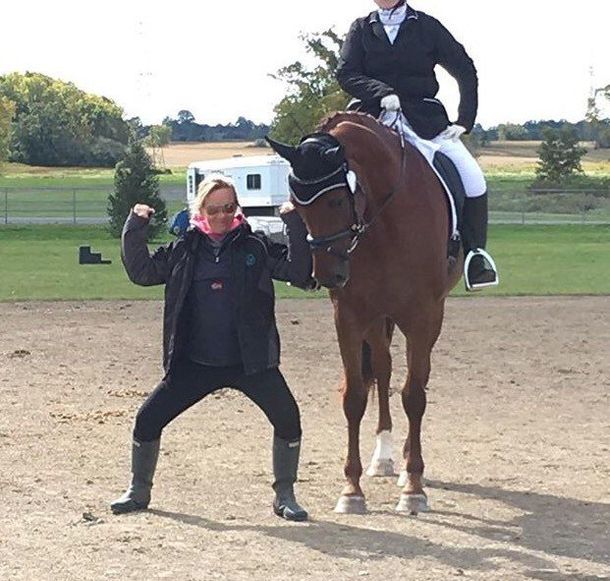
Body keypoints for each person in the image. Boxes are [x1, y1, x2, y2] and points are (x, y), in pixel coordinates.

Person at [110, 175, 314, 521]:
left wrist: (293, 222)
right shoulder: (184, 249)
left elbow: (298, 271)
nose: (222, 215)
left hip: (250, 362)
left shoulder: (256, 246)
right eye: (214, 209)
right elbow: (142, 272)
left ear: (237, 209)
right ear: (201, 210)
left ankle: (285, 495)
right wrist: (136, 224)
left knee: (288, 419)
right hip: (195, 362)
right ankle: (138, 490)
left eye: (229, 208)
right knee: (147, 419)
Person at [336, 0, 499, 291]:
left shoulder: (426, 26)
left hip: (424, 120)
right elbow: (346, 73)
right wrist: (381, 92)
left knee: (472, 176)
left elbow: (465, 68)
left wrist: (464, 120)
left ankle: (475, 255)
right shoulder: (360, 28)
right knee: (324, 170)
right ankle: (315, 256)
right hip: (371, 117)